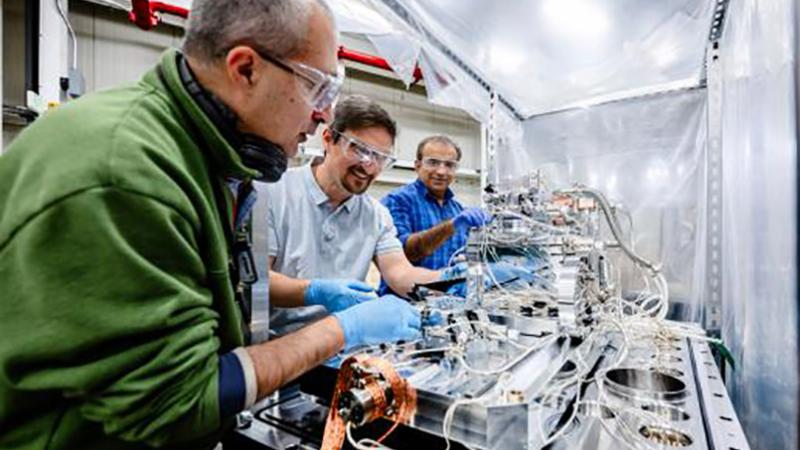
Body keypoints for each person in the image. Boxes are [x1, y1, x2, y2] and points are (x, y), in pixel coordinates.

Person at [0, 1, 421, 449]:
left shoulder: (208, 160)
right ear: (245, 70)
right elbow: (177, 403)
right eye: (316, 88)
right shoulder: (127, 172)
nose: (321, 115)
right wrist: (345, 328)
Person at [264, 94, 446, 332]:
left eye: (380, 157)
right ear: (328, 139)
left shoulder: (376, 215)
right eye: (360, 149)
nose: (369, 166)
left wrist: (450, 279)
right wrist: (312, 292)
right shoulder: (274, 192)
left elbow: (401, 274)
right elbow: (256, 281)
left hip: (345, 341)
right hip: (280, 345)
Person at [381, 135, 491, 272]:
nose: (441, 171)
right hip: (407, 292)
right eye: (433, 163)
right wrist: (450, 226)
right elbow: (402, 253)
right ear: (417, 166)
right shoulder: (397, 201)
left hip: (451, 292)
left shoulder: (457, 209)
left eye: (449, 165)